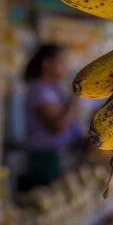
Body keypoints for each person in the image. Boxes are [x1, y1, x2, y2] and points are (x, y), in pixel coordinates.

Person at [21, 44, 84, 190]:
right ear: (47, 63)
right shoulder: (39, 90)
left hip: (57, 155)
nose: (66, 66)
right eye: (62, 62)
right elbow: (59, 125)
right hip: (46, 158)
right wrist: (75, 99)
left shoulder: (54, 88)